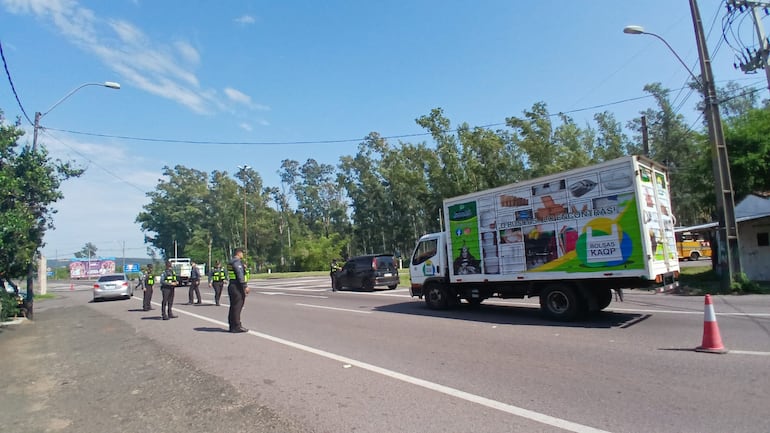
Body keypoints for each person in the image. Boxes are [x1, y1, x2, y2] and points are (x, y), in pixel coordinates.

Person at [226, 248, 250, 333]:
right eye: (242, 253)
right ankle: (237, 326)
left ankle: (232, 325)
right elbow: (240, 275)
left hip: (232, 285)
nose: (243, 255)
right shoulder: (237, 262)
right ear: (239, 253)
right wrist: (245, 286)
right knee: (237, 306)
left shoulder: (230, 262)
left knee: (233, 306)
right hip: (237, 286)